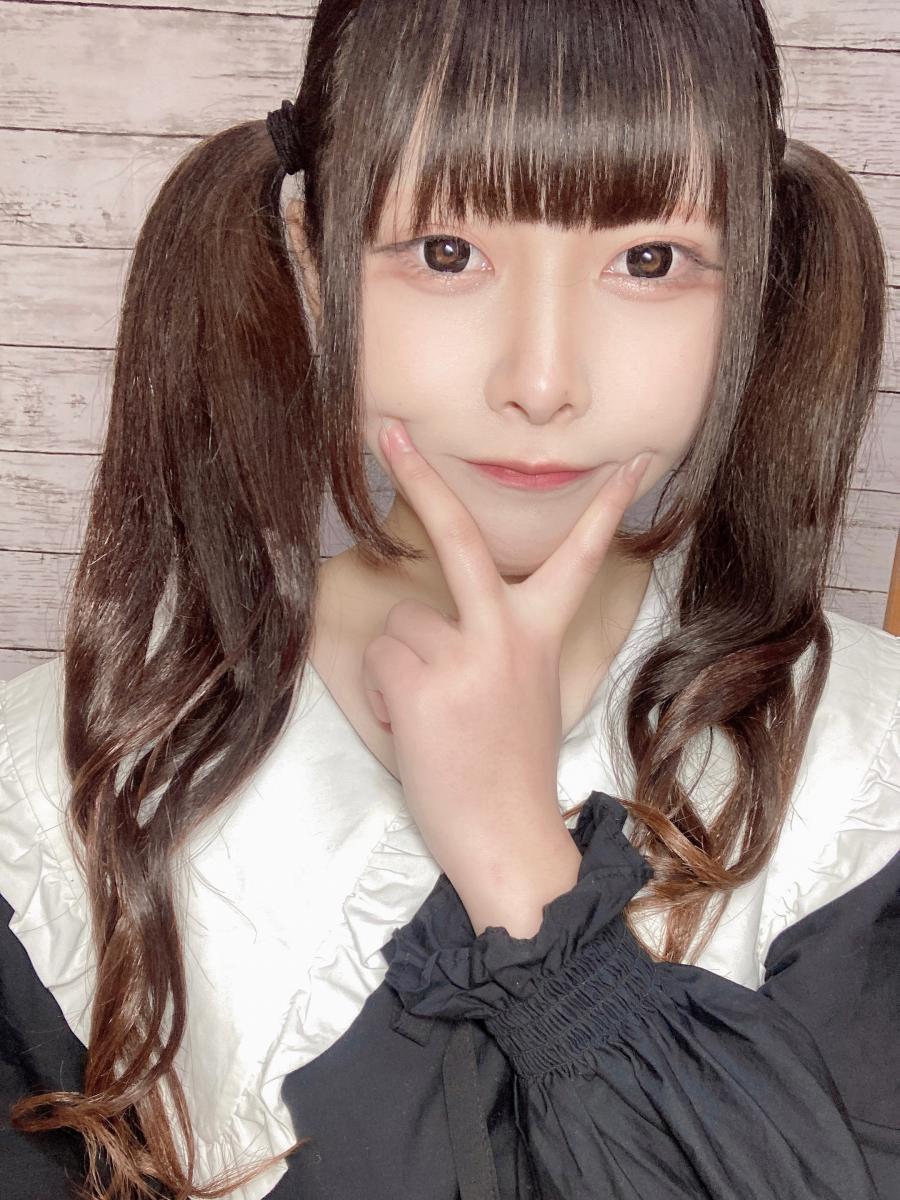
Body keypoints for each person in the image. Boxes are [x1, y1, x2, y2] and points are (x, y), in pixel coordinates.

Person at [0, 0, 897, 1197]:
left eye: (648, 261)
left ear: (754, 281)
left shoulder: (868, 769)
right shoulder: (65, 780)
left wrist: (525, 872)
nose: (542, 379)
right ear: (314, 258)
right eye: (443, 253)